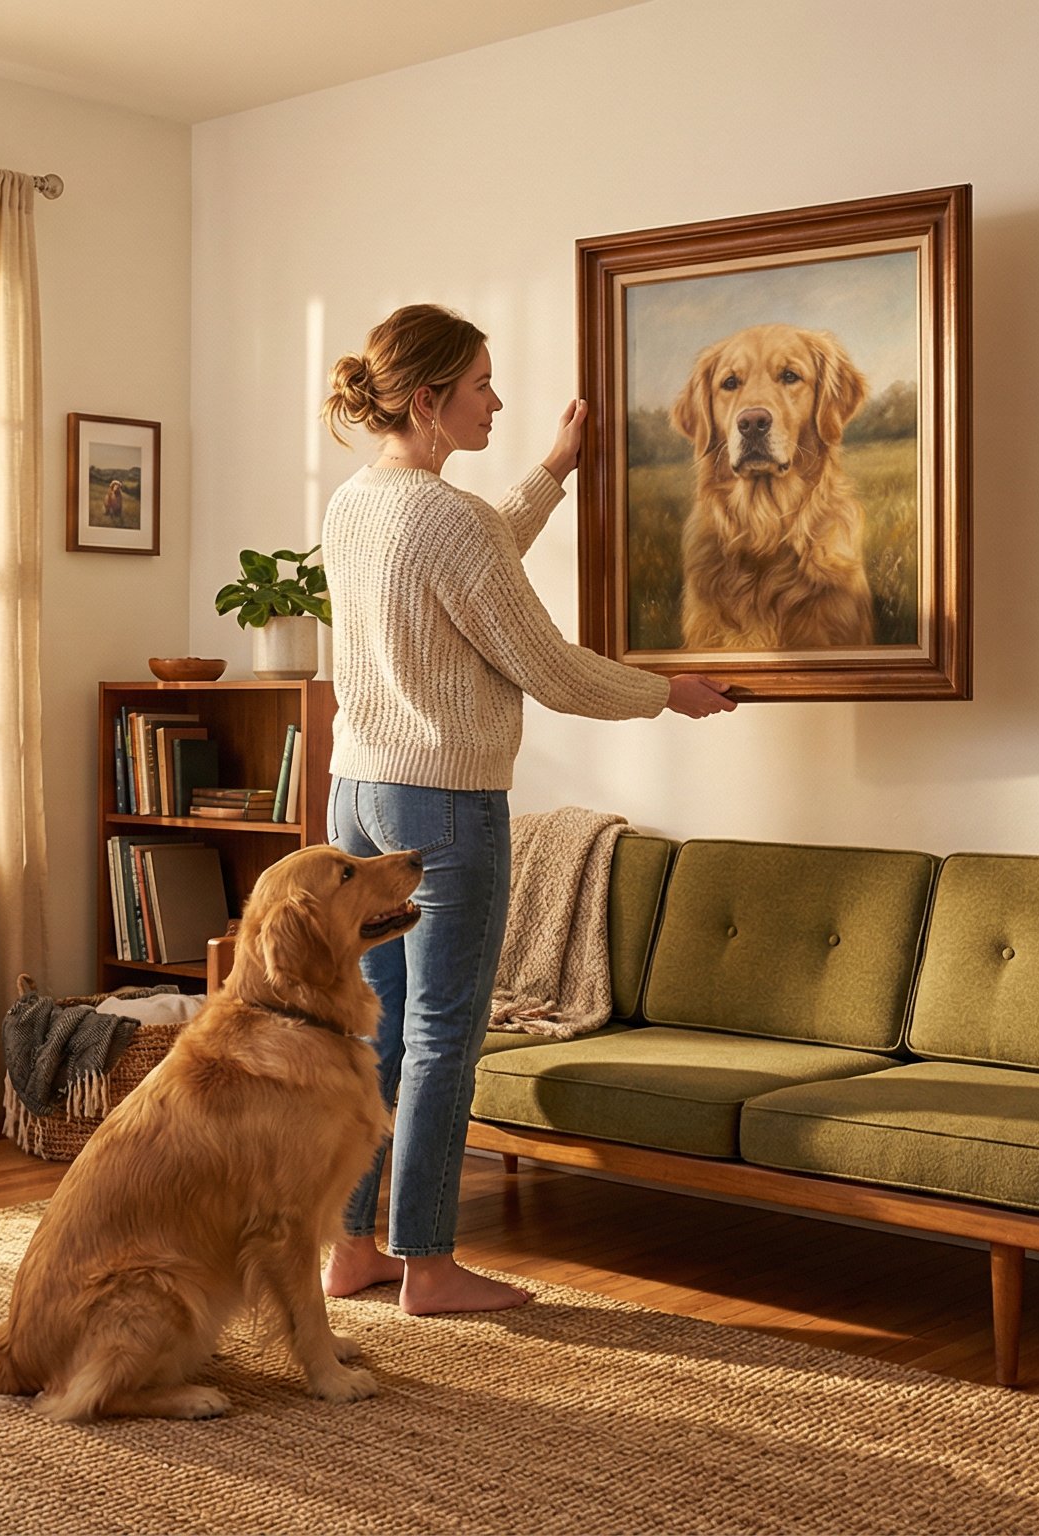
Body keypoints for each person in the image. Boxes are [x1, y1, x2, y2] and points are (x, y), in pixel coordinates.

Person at [315, 302, 736, 1315]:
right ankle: (431, 1266)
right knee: (443, 1038)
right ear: (427, 401)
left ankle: (350, 1249)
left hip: (357, 795)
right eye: (480, 386)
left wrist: (554, 469)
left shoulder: (356, 504)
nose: (496, 399)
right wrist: (663, 692)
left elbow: (474, 552)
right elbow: (547, 668)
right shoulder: (444, 518)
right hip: (443, 805)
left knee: (375, 1030)